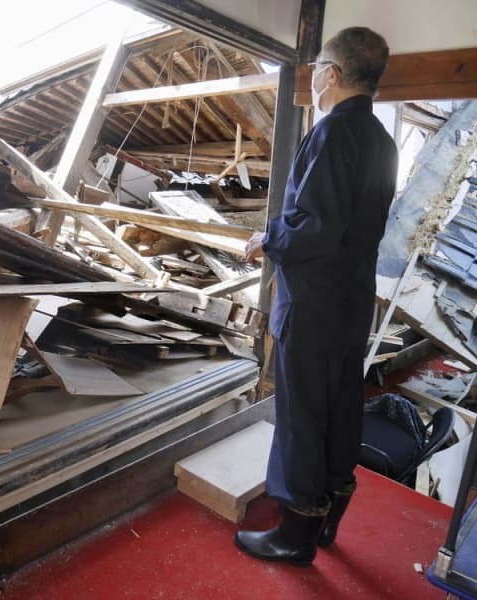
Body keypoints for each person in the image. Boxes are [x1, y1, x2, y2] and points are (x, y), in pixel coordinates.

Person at [235, 27, 398, 566]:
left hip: (313, 302)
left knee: (303, 415)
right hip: (353, 300)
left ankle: (295, 534)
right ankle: (328, 518)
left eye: (315, 66)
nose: (311, 77)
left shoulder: (331, 134)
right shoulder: (381, 139)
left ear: (332, 73)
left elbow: (312, 229)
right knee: (340, 407)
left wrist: (266, 237)